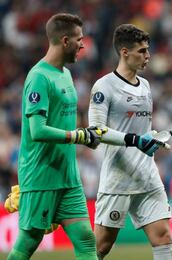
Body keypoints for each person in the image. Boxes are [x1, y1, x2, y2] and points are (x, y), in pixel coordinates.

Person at [7, 13, 106, 260]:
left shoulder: (66, 74)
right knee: (29, 242)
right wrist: (77, 137)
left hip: (67, 176)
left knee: (85, 239)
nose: (83, 45)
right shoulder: (39, 77)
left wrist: (86, 135)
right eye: (79, 39)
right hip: (41, 174)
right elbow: (37, 131)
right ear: (65, 41)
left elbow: (66, 121)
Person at [88, 24, 172, 260]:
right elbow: (96, 131)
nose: (148, 56)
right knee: (101, 247)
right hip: (118, 178)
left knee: (163, 237)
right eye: (142, 51)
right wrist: (136, 140)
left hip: (147, 175)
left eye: (148, 50)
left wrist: (151, 139)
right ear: (124, 52)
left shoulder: (145, 86)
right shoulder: (104, 86)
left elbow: (140, 128)